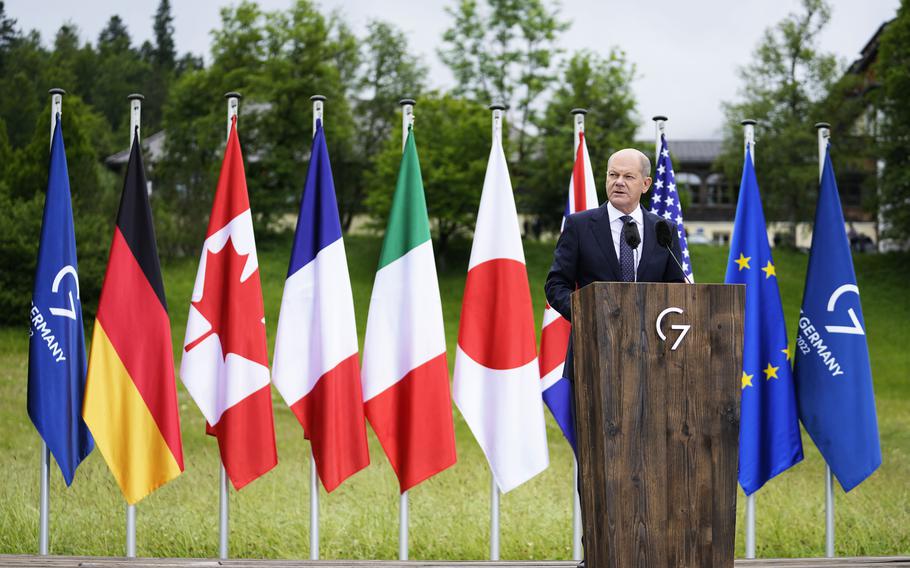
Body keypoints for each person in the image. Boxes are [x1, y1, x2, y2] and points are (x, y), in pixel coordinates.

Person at [544, 147, 686, 568]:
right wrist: (590, 317)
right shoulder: (580, 225)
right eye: (611, 175)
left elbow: (677, 294)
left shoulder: (662, 230)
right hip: (594, 363)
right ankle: (599, 552)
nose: (618, 182)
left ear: (645, 184)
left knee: (651, 461)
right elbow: (555, 285)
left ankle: (649, 550)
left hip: (653, 367)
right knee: (599, 463)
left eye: (627, 176)